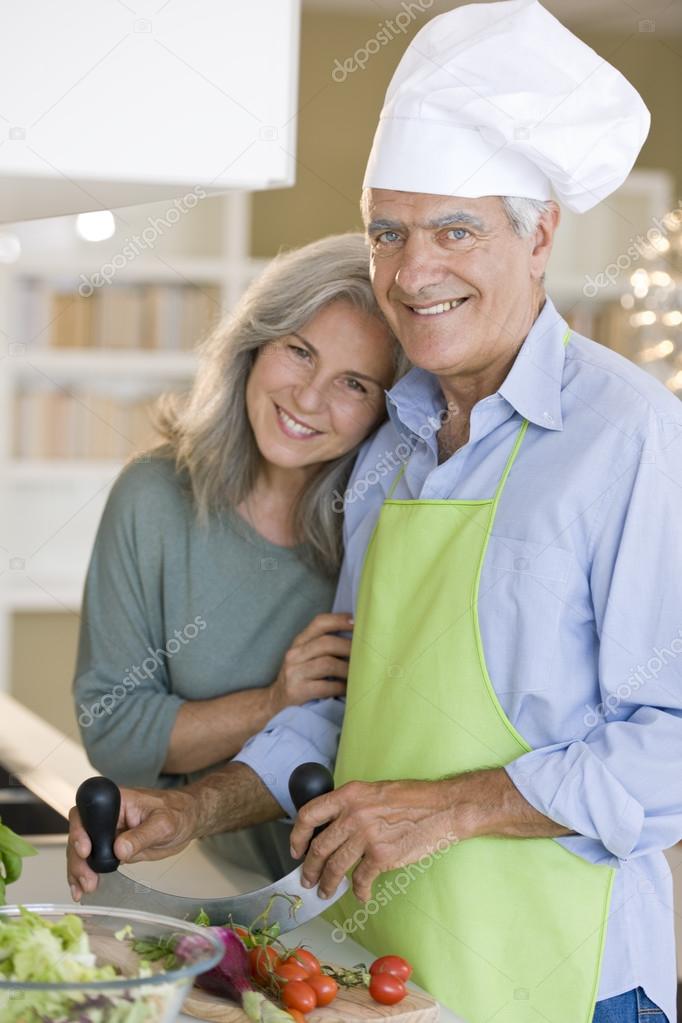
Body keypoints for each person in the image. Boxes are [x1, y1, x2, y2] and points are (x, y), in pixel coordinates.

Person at [68, 3, 682, 1021]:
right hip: (377, 965)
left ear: (538, 235)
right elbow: (343, 705)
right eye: (386, 232)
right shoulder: (389, 443)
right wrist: (191, 808)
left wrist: (449, 810)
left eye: (454, 230)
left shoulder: (632, 436)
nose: (411, 272)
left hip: (565, 970)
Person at [71, 232, 405, 880]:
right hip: (221, 875)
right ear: (254, 344)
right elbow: (113, 729)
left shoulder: (385, 524)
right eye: (299, 351)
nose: (309, 398)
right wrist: (273, 699)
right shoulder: (155, 498)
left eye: (354, 384)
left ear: (386, 411)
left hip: (366, 893)